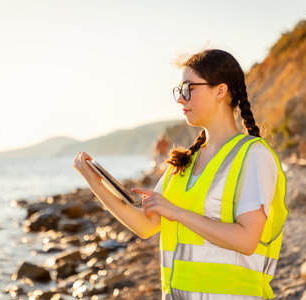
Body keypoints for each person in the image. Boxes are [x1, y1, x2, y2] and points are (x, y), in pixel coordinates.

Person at [74, 49, 288, 299]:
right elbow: (146, 226)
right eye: (178, 90)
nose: (180, 99)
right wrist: (94, 181)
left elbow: (247, 240)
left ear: (220, 91)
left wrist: (176, 212)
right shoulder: (185, 162)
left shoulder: (253, 155)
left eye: (188, 88)